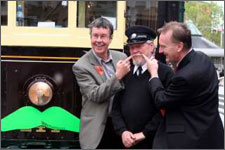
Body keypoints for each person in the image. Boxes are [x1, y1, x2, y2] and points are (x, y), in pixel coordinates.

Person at [143, 21, 224, 149]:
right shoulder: (203, 58)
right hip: (210, 135)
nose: (160, 51)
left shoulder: (184, 77)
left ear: (179, 46)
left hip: (188, 140)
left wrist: (154, 74)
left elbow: (161, 100)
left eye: (164, 46)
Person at [72, 17, 131, 149]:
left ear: (110, 39)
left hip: (122, 126)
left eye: (103, 36)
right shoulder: (81, 66)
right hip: (98, 129)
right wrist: (117, 76)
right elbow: (95, 95)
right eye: (95, 36)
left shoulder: (121, 58)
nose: (99, 40)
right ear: (91, 38)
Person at [111, 25, 174, 149]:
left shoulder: (164, 73)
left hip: (153, 142)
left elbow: (166, 110)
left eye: (138, 46)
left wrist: (144, 133)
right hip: (125, 141)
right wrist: (123, 131)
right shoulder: (125, 71)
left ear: (151, 47)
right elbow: (115, 107)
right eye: (132, 47)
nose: (134, 51)